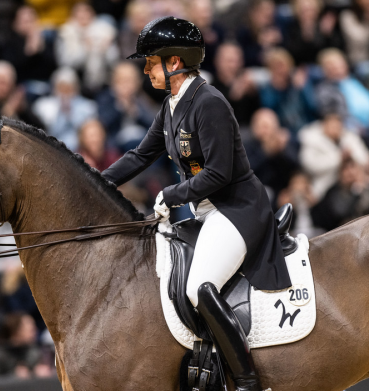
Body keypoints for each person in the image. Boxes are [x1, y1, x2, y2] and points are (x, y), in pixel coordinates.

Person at [101, 17, 291, 391]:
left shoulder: (209, 102)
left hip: (238, 209)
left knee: (198, 286)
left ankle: (249, 381)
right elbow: (141, 155)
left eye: (150, 62)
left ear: (175, 63)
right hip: (206, 211)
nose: (145, 70)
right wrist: (96, 181)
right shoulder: (172, 105)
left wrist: (171, 195)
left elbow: (219, 173)